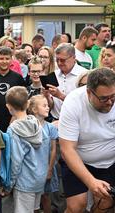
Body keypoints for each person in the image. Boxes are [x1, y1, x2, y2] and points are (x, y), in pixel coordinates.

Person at [59, 68, 115, 213]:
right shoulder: (73, 102)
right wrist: (91, 182)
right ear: (89, 92)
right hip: (79, 159)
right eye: (104, 98)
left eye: (113, 96)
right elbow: (67, 149)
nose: (109, 102)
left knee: (105, 203)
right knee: (77, 205)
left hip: (110, 161)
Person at [5, 86, 48, 213]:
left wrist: (9, 184)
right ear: (28, 103)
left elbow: (16, 160)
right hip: (39, 178)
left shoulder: (13, 130)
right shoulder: (37, 123)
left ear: (8, 106)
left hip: (24, 181)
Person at [28, 95, 59, 213]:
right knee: (34, 199)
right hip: (32, 169)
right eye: (44, 105)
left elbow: (53, 150)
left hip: (46, 167)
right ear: (35, 109)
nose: (48, 108)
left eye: (48, 106)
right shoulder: (28, 126)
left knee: (45, 196)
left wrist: (50, 169)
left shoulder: (50, 127)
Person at [49, 43, 87, 120]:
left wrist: (60, 96)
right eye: (57, 60)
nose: (59, 63)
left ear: (74, 58)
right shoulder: (54, 74)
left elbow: (84, 104)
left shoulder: (84, 75)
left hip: (76, 121)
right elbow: (51, 105)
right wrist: (46, 95)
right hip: (55, 119)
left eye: (63, 60)